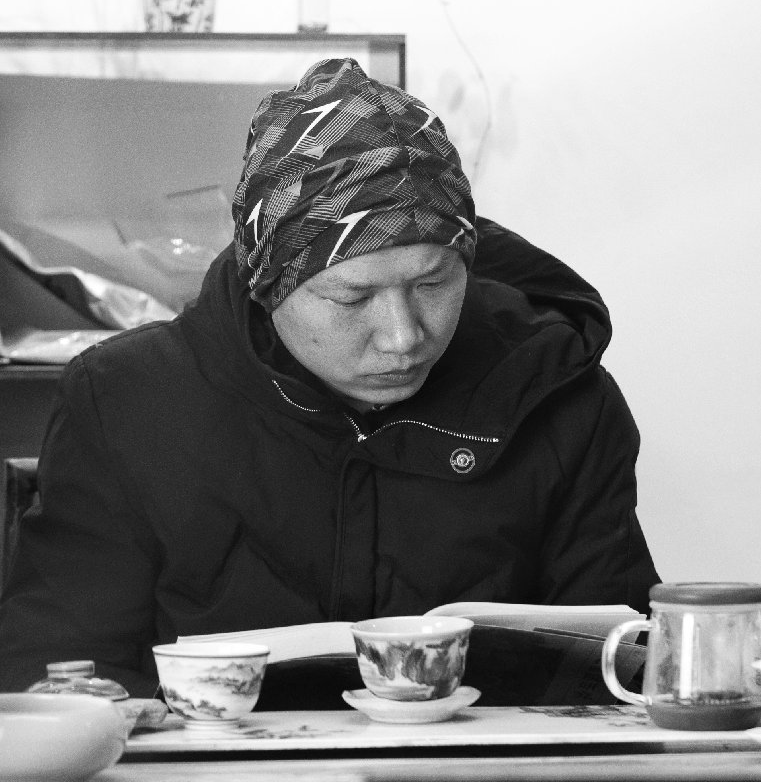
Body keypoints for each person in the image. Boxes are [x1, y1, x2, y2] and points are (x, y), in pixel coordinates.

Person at [0, 57, 658, 697]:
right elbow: (60, 672)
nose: (404, 336)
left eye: (433, 283)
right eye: (352, 297)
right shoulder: (125, 402)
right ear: (268, 285)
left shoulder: (557, 393)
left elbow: (622, 671)